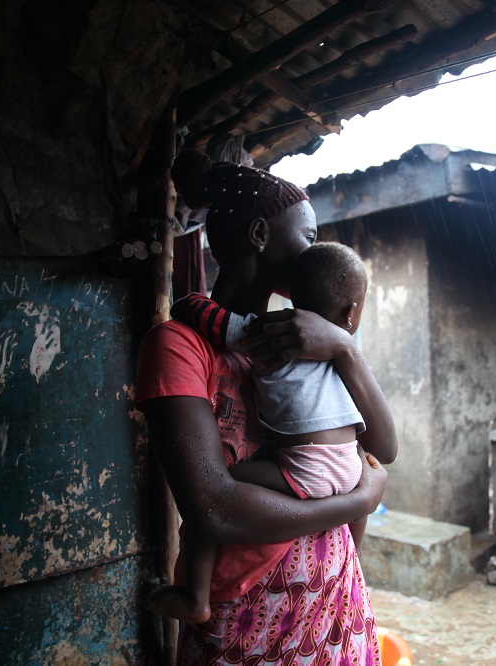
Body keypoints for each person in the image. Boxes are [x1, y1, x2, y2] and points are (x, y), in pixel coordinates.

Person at [134, 148, 398, 664]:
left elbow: (383, 447)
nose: (313, 249)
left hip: (335, 594)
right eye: (307, 235)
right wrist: (358, 503)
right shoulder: (179, 347)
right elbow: (213, 509)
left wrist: (344, 349)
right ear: (259, 236)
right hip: (246, 611)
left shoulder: (312, 342)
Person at [148, 241, 374, 625]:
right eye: (305, 231)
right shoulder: (335, 352)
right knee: (217, 498)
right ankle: (357, 560)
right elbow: (381, 449)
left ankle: (194, 595)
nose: (307, 243)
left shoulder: (274, 334)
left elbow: (212, 320)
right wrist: (365, 497)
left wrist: (188, 303)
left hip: (308, 475)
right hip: (348, 473)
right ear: (351, 313)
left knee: (222, 482)